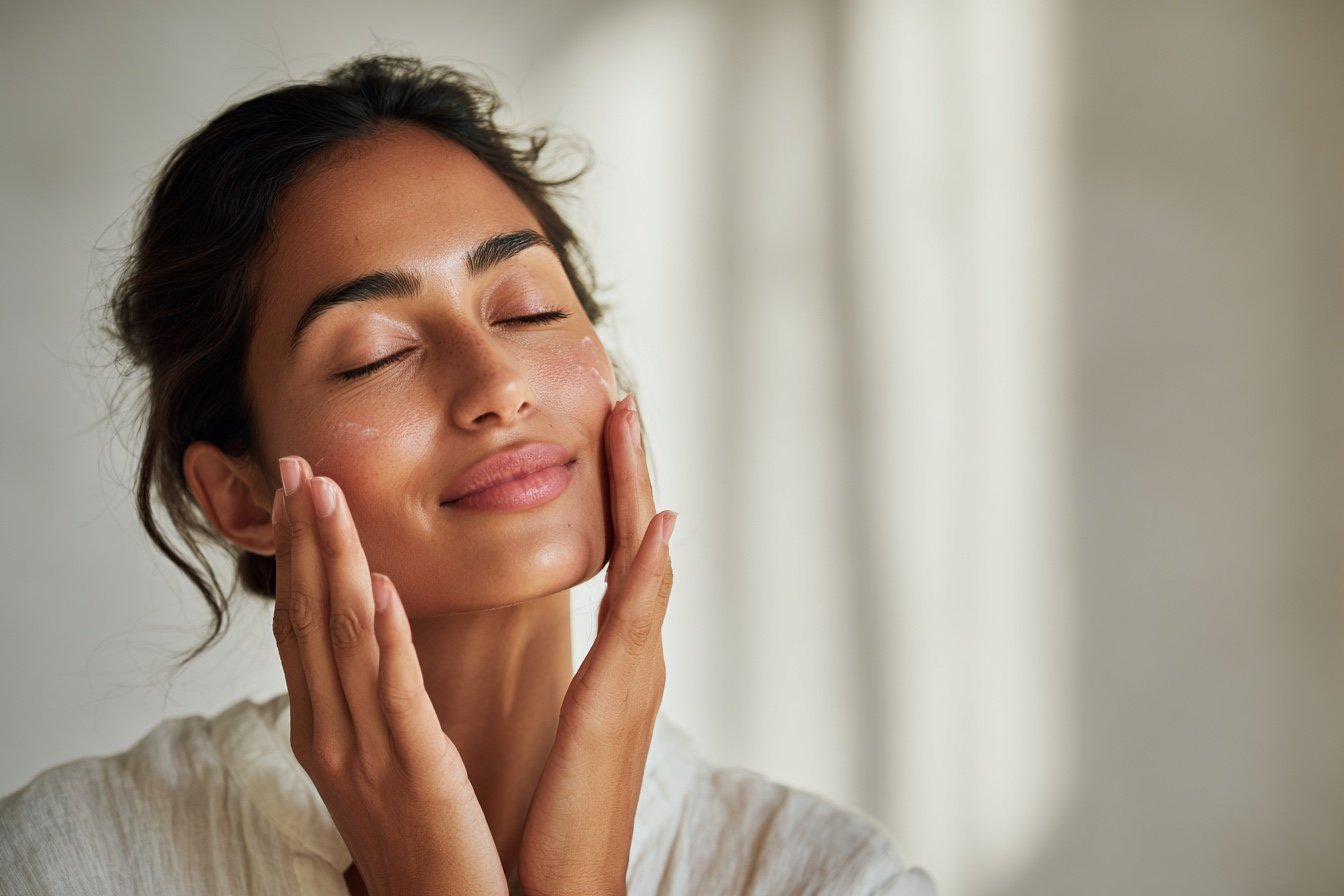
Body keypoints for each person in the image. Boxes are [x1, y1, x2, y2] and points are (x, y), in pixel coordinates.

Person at [0, 55, 933, 895]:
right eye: (374, 354)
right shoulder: (70, 861)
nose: (496, 386)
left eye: (527, 309)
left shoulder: (825, 878)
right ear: (242, 498)